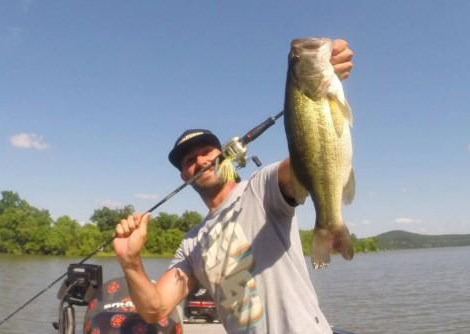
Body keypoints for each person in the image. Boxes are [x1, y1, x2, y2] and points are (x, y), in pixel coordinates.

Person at [113, 39, 354, 334]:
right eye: (189, 160)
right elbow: (155, 310)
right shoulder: (192, 244)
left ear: (224, 154)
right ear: (183, 176)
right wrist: (130, 261)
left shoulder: (261, 189)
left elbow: (310, 157)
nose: (199, 161)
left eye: (206, 152)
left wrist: (321, 73)